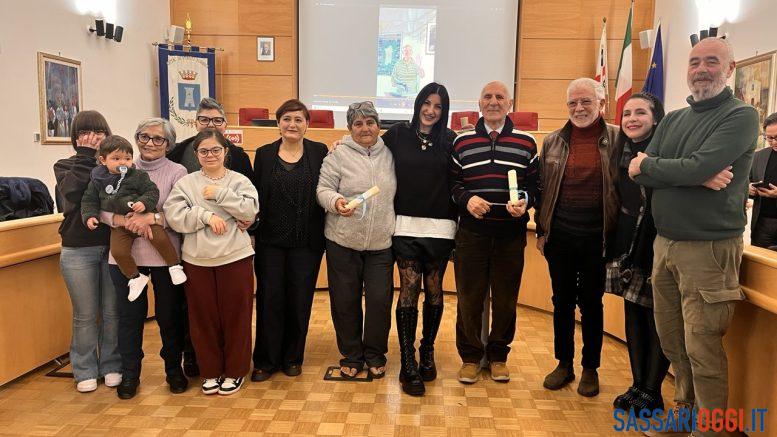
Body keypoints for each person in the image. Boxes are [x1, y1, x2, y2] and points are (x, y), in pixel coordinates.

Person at [628, 37, 759, 434]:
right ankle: (684, 416)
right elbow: (640, 170)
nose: (701, 69)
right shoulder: (672, 120)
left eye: (712, 61)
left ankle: (710, 428)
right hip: (664, 243)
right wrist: (692, 173)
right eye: (695, 62)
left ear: (730, 68)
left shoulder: (741, 116)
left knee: (702, 347)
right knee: (674, 342)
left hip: (710, 248)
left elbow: (674, 166)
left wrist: (670, 167)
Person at [449, 81, 539, 385]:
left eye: (500, 97)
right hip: (471, 235)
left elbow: (535, 186)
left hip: (510, 236)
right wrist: (466, 200)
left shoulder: (527, 142)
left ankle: (499, 356)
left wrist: (525, 201)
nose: (493, 101)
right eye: (487, 96)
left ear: (509, 104)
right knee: (468, 299)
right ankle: (471, 358)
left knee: (505, 301)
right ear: (479, 104)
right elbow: (452, 184)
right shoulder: (461, 142)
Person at [536, 77, 619, 397]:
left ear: (602, 104)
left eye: (586, 101)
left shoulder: (618, 138)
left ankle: (590, 368)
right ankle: (564, 364)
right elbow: (543, 190)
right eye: (573, 103)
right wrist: (542, 231)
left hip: (598, 239)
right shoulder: (553, 141)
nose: (579, 108)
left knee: (592, 304)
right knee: (561, 303)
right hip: (560, 238)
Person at [97, 118, 190, 399]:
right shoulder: (118, 166)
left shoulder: (178, 171)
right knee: (129, 319)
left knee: (169, 318)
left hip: (165, 259)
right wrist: (121, 220)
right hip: (126, 260)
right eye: (144, 136)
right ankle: (130, 374)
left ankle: (174, 370)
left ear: (168, 144)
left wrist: (152, 218)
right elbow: (100, 206)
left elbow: (180, 212)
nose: (150, 143)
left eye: (158, 138)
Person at [164, 130, 259, 395]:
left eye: (215, 150)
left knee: (236, 317)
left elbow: (250, 211)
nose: (210, 155)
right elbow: (175, 216)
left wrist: (219, 194)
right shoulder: (186, 183)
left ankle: (236, 371)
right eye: (204, 151)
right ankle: (210, 371)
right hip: (197, 260)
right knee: (202, 319)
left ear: (225, 151)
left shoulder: (239, 180)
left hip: (235, 257)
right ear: (196, 154)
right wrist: (205, 216)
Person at [383, 82, 457, 396]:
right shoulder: (397, 134)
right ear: (417, 104)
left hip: (441, 228)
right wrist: (340, 144)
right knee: (409, 291)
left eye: (438, 106)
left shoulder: (451, 140)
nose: (431, 110)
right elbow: (368, 151)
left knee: (435, 291)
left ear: (444, 111)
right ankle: (407, 361)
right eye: (427, 103)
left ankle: (427, 350)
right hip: (405, 226)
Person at [316, 101, 396, 380]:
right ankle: (351, 354)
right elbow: (323, 189)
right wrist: (336, 201)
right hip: (342, 241)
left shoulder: (391, 154)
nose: (365, 128)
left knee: (379, 301)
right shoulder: (337, 155)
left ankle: (375, 354)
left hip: (381, 244)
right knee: (345, 301)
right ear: (349, 128)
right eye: (358, 124)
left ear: (378, 125)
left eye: (370, 122)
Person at [250, 99, 328, 382]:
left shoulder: (320, 152)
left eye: (298, 119)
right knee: (269, 299)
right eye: (287, 119)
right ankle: (265, 360)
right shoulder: (264, 154)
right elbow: (256, 196)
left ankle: (293, 357)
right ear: (278, 122)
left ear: (307, 124)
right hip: (270, 242)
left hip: (307, 243)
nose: (292, 125)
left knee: (300, 300)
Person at [605, 93, 669, 413]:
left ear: (656, 118)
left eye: (640, 112)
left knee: (657, 317)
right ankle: (637, 384)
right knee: (633, 312)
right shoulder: (621, 150)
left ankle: (652, 390)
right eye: (627, 113)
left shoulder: (665, 152)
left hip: (655, 241)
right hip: (627, 240)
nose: (632, 118)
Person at [53, 110, 121, 393]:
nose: (91, 138)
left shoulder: (115, 165)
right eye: (84, 133)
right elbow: (72, 194)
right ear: (75, 138)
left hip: (113, 246)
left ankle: (112, 364)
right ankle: (84, 369)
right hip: (77, 249)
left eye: (98, 132)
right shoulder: (65, 165)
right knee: (84, 314)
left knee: (112, 312)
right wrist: (85, 156)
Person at [81, 136, 187, 300]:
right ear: (103, 160)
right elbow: (89, 200)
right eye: (116, 158)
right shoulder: (97, 180)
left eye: (127, 158)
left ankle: (174, 266)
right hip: (121, 226)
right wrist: (90, 216)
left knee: (160, 238)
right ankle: (135, 277)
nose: (123, 162)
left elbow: (152, 191)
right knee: (118, 251)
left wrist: (144, 203)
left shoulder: (137, 175)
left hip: (145, 217)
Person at [168, 97, 253, 182]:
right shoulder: (176, 152)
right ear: (196, 124)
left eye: (217, 120)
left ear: (225, 126)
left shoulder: (240, 158)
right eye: (204, 120)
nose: (211, 125)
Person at [749, 112, 777, 250]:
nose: (774, 142)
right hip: (762, 225)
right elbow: (746, 182)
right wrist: (749, 188)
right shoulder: (758, 156)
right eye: (769, 138)